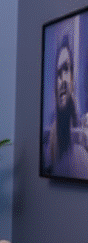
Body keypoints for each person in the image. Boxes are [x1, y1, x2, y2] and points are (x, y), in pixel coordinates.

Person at [43, 32, 88, 179]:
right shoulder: (47, 150)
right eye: (58, 73)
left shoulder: (82, 156)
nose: (62, 79)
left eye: (66, 69)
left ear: (73, 80)